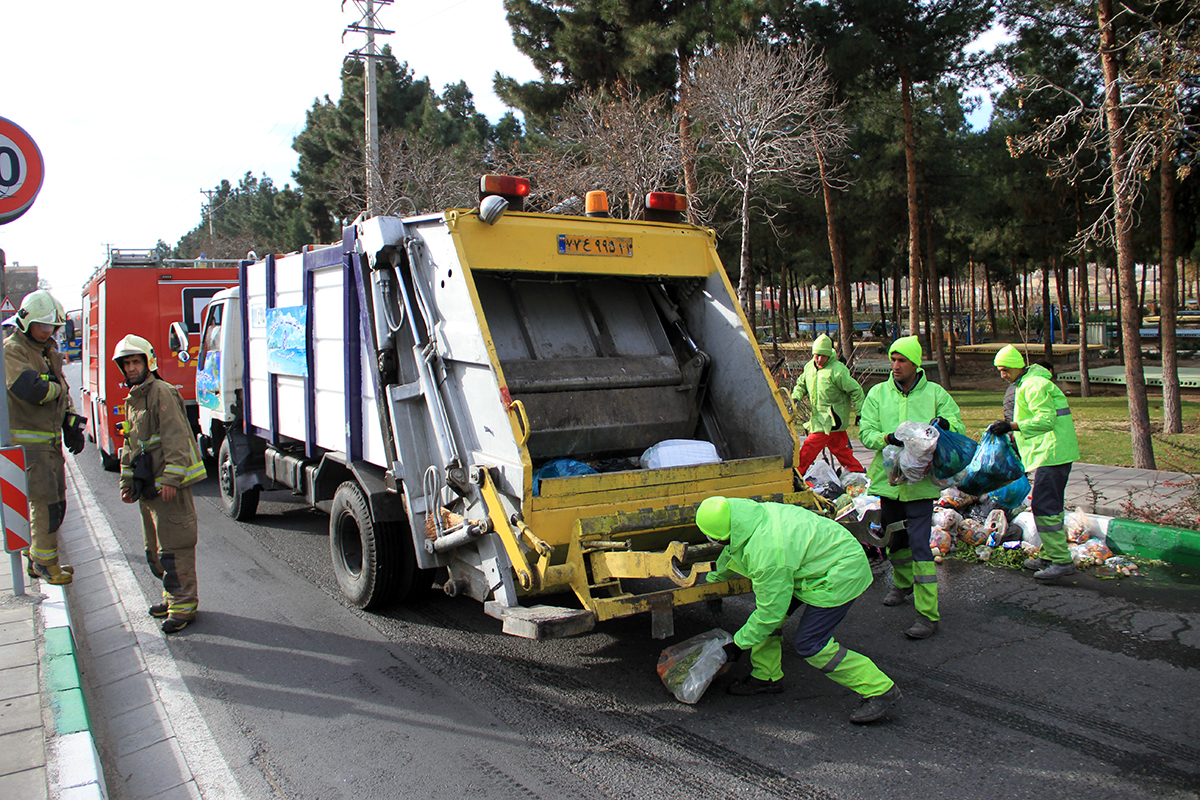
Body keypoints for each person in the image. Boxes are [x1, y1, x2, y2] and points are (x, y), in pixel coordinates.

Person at [698, 496, 899, 723]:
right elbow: (732, 550)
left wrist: (738, 644)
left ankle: (880, 690)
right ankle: (766, 677)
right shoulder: (747, 516)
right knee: (767, 620)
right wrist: (715, 582)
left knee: (810, 644)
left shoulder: (767, 552)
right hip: (817, 561)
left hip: (839, 574)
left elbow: (769, 613)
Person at [859, 336, 965, 639]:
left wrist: (945, 424)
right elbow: (866, 432)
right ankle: (903, 585)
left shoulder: (935, 394)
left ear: (915, 363)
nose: (895, 366)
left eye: (901, 360)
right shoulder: (878, 394)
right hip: (890, 483)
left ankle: (927, 615)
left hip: (920, 486)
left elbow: (957, 426)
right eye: (892, 359)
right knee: (896, 543)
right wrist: (887, 438)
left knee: (920, 548)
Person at [113, 335, 207, 634]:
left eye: (135, 362)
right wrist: (127, 481)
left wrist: (171, 479)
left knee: (175, 545)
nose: (130, 368)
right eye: (126, 363)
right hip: (148, 487)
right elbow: (131, 444)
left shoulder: (161, 393)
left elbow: (176, 437)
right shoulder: (134, 398)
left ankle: (184, 606)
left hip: (168, 487)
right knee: (156, 548)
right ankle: (171, 597)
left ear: (148, 362)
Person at [4, 290, 86, 585]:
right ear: (26, 322)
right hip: (29, 445)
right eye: (42, 326)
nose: (47, 331)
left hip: (49, 442)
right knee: (46, 504)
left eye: (51, 327)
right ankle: (44, 563)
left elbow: (59, 387)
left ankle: (38, 558)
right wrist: (52, 388)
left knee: (58, 502)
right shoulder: (13, 349)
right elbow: (29, 389)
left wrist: (71, 421)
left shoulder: (47, 350)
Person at [987, 345, 1080, 581]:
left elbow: (1045, 420)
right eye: (999, 370)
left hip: (1052, 453)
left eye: (1005, 369)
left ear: (1017, 366)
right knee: (1050, 505)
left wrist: (1011, 426)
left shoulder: (1034, 384)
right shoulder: (1028, 382)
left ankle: (1061, 560)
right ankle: (1049, 554)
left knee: (1044, 505)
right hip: (1051, 453)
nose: (1002, 375)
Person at [791, 334, 866, 476]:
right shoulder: (809, 368)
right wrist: (795, 397)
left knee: (809, 447)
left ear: (829, 354)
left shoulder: (838, 371)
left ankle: (797, 475)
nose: (819, 359)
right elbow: (801, 385)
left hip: (831, 419)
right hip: (820, 417)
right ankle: (859, 473)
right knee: (841, 450)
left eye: (823, 356)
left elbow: (856, 390)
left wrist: (860, 412)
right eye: (816, 355)